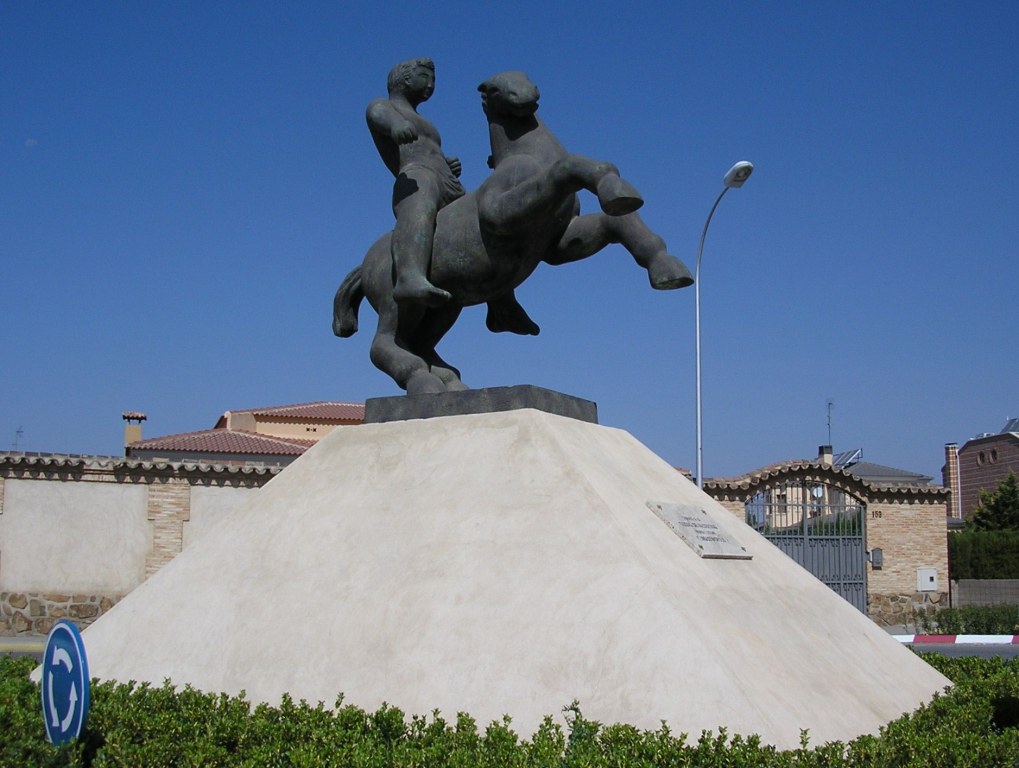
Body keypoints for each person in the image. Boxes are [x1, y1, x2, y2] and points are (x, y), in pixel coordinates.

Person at [367, 57, 464, 307]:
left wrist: (447, 163)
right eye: (425, 77)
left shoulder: (426, 123)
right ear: (405, 79)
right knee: (419, 209)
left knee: (479, 215)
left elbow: (430, 150)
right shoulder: (387, 107)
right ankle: (409, 275)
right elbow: (376, 113)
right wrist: (396, 125)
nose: (431, 84)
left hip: (448, 182)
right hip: (416, 178)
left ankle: (501, 297)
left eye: (433, 79)